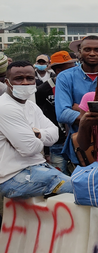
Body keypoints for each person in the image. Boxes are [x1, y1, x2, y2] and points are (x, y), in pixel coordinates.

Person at [0, 61, 73, 198]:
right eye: (18, 79)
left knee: (86, 182)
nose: (25, 83)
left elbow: (55, 134)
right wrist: (36, 140)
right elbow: (30, 149)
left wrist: (35, 134)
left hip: (37, 169)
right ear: (7, 82)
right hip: (14, 177)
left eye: (30, 78)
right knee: (80, 189)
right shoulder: (5, 107)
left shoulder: (30, 106)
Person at [55, 35, 98, 165]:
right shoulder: (65, 77)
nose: (92, 53)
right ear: (79, 52)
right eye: (87, 49)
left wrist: (80, 110)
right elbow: (63, 113)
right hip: (82, 147)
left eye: (97, 50)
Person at [36, 51, 76, 173]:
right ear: (58, 70)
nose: (74, 71)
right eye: (69, 68)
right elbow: (38, 116)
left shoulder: (76, 85)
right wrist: (46, 151)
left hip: (76, 138)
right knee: (59, 176)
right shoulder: (43, 90)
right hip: (56, 142)